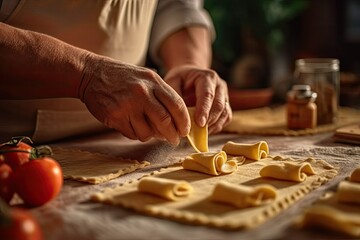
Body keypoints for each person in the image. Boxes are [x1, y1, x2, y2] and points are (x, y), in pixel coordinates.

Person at [0, 0, 232, 145]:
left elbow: (175, 6)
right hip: (12, 150)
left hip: (118, 143)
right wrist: (85, 76)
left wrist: (188, 63)